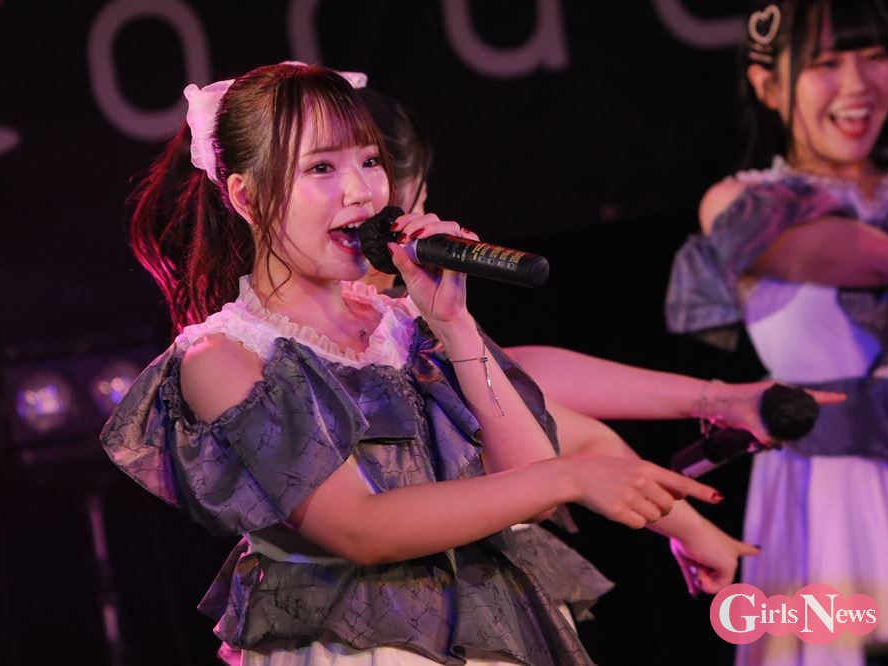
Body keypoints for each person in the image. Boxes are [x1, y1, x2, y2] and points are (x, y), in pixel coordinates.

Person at [102, 62, 725, 665]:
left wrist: (454, 323)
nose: (362, 191)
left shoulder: (404, 325)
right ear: (246, 195)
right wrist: (572, 477)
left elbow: (528, 484)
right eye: (321, 167)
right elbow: (358, 529)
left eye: (370, 161)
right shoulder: (225, 356)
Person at [666, 1, 888, 664]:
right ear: (769, 85)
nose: (856, 84)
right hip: (830, 496)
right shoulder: (744, 204)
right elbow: (871, 257)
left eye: (874, 56)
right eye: (825, 64)